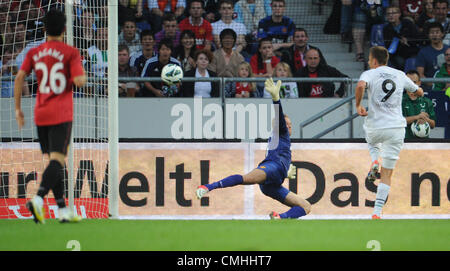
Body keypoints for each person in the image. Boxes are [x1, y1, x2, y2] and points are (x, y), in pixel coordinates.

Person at [196, 77, 312, 220]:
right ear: (277, 126)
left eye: (290, 124)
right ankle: (208, 187)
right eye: (285, 124)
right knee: (246, 179)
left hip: (273, 182)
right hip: (271, 168)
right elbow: (279, 117)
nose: (288, 126)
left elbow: (279, 152)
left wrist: (285, 171)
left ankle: (279, 217)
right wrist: (276, 99)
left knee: (306, 206)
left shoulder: (282, 140)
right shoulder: (280, 132)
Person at [14, 9, 86, 224]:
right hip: (61, 113)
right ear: (64, 29)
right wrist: (80, 76)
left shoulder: (34, 52)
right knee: (57, 160)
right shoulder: (71, 52)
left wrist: (18, 109)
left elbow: (19, 78)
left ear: (44, 29)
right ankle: (38, 199)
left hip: (40, 112)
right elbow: (80, 81)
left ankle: (63, 210)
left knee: (56, 162)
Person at [355, 46, 424, 219]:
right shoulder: (400, 74)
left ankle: (373, 160)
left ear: (374, 60)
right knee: (387, 173)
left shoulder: (369, 74)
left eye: (370, 60)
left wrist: (358, 105)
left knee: (371, 139)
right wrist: (415, 92)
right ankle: (377, 212)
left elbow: (361, 85)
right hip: (396, 128)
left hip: (375, 126)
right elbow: (419, 91)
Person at [383, 5, 420, 71]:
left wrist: (408, 40)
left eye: (393, 13)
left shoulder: (408, 23)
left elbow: (417, 38)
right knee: (399, 62)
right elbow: (388, 46)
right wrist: (400, 42)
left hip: (412, 51)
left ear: (399, 14)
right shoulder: (386, 29)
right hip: (397, 54)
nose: (391, 15)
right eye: (388, 14)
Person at [402, 70, 436, 139]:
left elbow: (433, 125)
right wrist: (417, 117)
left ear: (419, 83)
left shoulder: (427, 101)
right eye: (409, 82)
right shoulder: (400, 101)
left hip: (424, 142)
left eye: (414, 82)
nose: (411, 85)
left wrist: (426, 119)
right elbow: (399, 122)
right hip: (405, 142)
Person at [416, 22, 449, 90]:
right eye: (432, 32)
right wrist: (436, 85)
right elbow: (420, 74)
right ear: (428, 35)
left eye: (437, 32)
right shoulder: (423, 52)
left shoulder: (448, 50)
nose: (434, 35)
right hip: (430, 87)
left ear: (442, 34)